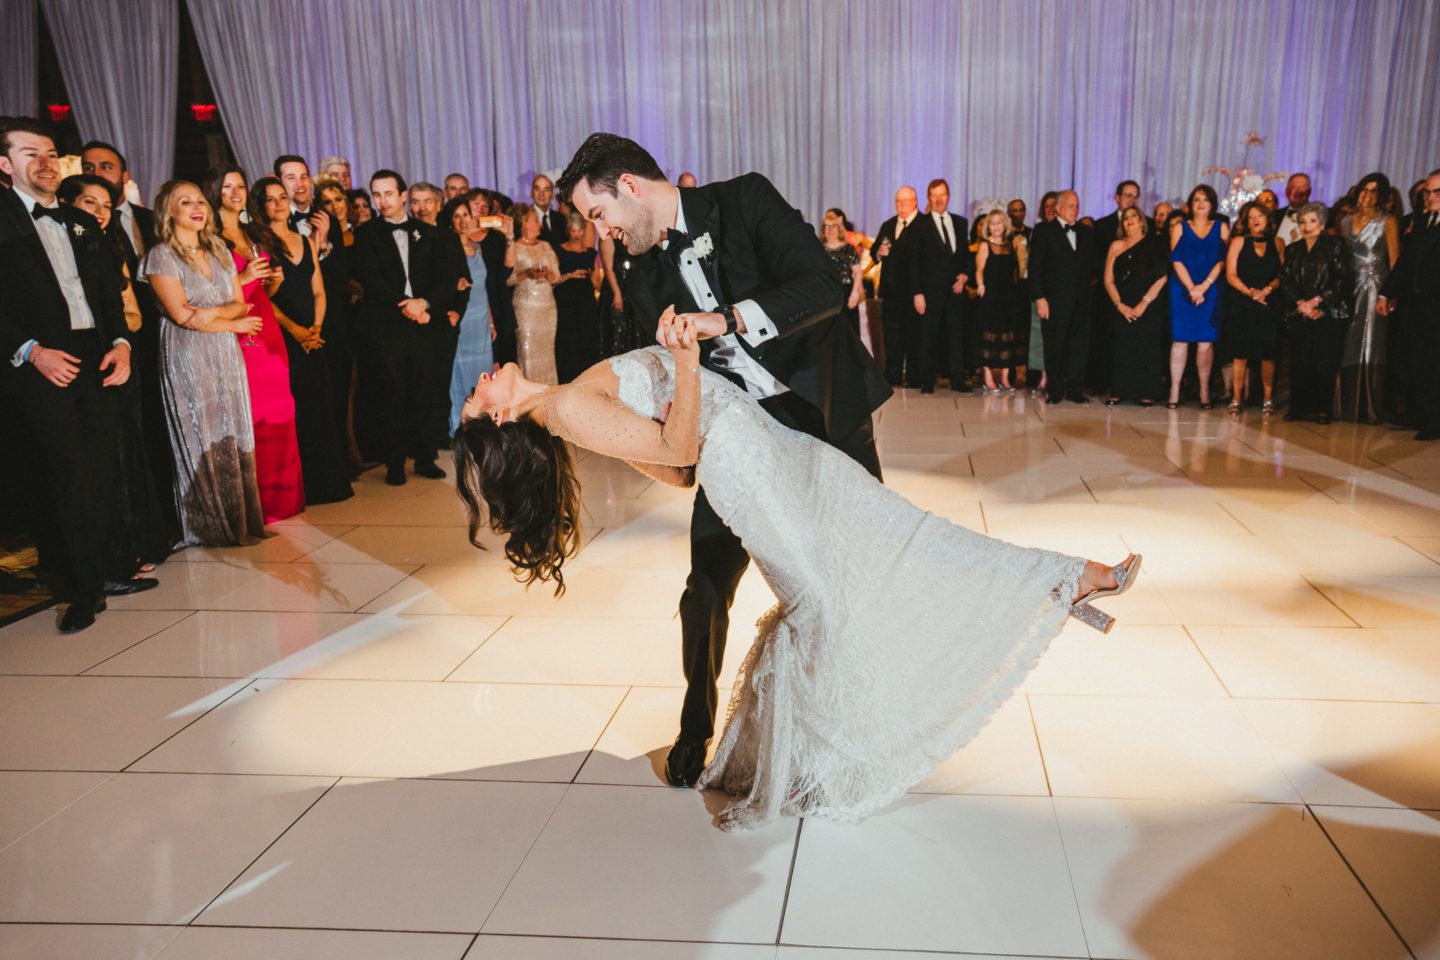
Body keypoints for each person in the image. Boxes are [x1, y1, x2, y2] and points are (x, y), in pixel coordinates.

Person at [454, 330, 1141, 828]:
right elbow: (683, 449)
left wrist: (699, 400)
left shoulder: (567, 399)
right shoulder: (567, 406)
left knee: (890, 541)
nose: (479, 382)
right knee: (846, 585)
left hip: (765, 456)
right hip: (755, 475)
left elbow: (670, 469)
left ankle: (1056, 584)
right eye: (475, 399)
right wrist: (687, 368)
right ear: (502, 416)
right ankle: (1063, 582)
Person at [560, 133, 892, 789]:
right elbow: (649, 371)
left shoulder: (743, 201)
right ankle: (695, 722)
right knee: (705, 586)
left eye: (597, 214)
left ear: (628, 186)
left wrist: (726, 319)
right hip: (735, 437)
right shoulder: (639, 269)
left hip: (822, 414)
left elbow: (825, 283)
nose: (599, 231)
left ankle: (861, 716)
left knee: (856, 570)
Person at [2, 120, 156, 633]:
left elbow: (108, 295)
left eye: (50, 153)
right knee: (65, 478)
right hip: (40, 363)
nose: (45, 162)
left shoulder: (81, 221)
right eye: (30, 154)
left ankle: (104, 571)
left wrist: (122, 345)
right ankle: (82, 591)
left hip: (99, 356)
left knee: (100, 472)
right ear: (5, 165)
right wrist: (30, 351)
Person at [138, 179, 267, 548]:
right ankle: (204, 525)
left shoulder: (220, 251)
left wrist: (223, 318)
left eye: (200, 201)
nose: (197, 207)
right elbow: (180, 316)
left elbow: (240, 303)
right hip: (187, 353)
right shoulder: (162, 255)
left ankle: (239, 520)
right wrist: (234, 322)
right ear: (169, 212)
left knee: (232, 427)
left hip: (224, 350)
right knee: (199, 431)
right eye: (185, 201)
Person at [204, 163, 305, 522]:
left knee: (282, 410)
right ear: (215, 192)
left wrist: (271, 280)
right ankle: (258, 502)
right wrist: (245, 277)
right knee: (254, 415)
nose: (236, 193)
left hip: (267, 327)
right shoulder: (209, 238)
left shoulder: (252, 232)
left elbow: (265, 289)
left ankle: (286, 498)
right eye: (228, 187)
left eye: (241, 186)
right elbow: (213, 293)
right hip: (238, 328)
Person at [353, 170, 457, 485]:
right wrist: (406, 304)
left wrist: (424, 304)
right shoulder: (366, 233)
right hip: (387, 327)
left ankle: (426, 457)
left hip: (425, 324)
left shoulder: (428, 233)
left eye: (388, 193)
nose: (382, 200)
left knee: (425, 392)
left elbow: (446, 278)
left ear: (402, 196)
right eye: (376, 194)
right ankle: (394, 463)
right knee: (393, 394)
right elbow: (370, 279)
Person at [256, 176, 353, 504]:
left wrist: (315, 327)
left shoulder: (306, 240)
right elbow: (262, 297)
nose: (279, 203)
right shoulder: (259, 244)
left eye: (282, 197)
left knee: (321, 406)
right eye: (270, 199)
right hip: (281, 337)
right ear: (261, 206)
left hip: (314, 336)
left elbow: (318, 291)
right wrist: (296, 330)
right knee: (293, 410)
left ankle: (330, 483)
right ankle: (302, 487)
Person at [1378, 169, 1440, 440]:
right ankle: (1420, 413)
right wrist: (1386, 293)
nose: (1430, 197)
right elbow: (1406, 262)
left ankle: (1435, 421)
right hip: (1417, 305)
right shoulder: (1423, 219)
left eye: (1437, 192)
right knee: (1417, 361)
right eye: (1427, 191)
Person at [1335, 172, 1401, 423]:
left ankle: (1369, 406)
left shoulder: (1388, 221)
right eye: (1364, 189)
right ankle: (1346, 405)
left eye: (1373, 191)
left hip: (1376, 287)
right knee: (1348, 342)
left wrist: (1390, 294)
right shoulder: (1344, 222)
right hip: (1350, 287)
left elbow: (1394, 261)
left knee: (1372, 343)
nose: (1367, 195)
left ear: (1380, 196)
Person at [1279, 202, 1351, 424]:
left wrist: (1317, 303)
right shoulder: (1293, 249)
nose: (1306, 226)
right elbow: (1285, 280)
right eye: (1302, 221)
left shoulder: (1335, 245)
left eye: (1311, 221)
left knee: (1324, 362)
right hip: (1300, 312)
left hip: (1328, 313)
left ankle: (1323, 409)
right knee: (1299, 361)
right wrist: (1301, 303)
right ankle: (1298, 407)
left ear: (1321, 224)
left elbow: (1341, 278)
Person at [314, 178, 365, 473]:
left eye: (338, 200)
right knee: (345, 383)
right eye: (327, 202)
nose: (335, 206)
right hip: (338, 314)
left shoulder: (361, 233)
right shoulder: (324, 236)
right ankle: (349, 450)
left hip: (364, 316)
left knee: (362, 384)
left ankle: (362, 444)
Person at [905, 179, 972, 394]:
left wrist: (965, 275)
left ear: (949, 196)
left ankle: (958, 380)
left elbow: (965, 255)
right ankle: (927, 382)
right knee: (928, 338)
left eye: (942, 195)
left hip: (955, 291)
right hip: (929, 293)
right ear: (929, 198)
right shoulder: (919, 225)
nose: (939, 199)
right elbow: (913, 262)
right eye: (934, 196)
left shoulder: (961, 223)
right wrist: (917, 293)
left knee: (956, 337)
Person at [1029, 190, 1095, 403]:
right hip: (1054, 302)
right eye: (1070, 205)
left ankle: (1075, 390)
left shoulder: (1086, 232)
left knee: (1079, 348)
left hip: (1082, 302)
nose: (1075, 209)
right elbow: (1035, 268)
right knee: (1054, 347)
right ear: (1057, 208)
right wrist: (1040, 298)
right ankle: (1054, 391)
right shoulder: (1043, 231)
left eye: (1077, 205)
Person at [1167, 184, 1229, 408]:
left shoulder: (1221, 227)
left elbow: (1222, 261)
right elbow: (1176, 260)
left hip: (1210, 289)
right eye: (1196, 200)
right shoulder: (1180, 227)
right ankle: (1174, 390)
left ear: (1212, 204)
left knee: (1205, 343)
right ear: (1190, 204)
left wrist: (1203, 286)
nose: (1201, 204)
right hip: (1182, 289)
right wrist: (1192, 287)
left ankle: (1204, 390)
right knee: (1180, 340)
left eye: (1205, 199)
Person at [1102, 206, 1169, 405]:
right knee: (1121, 346)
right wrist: (1119, 305)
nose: (1129, 220)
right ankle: (1119, 390)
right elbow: (1108, 279)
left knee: (1145, 346)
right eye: (1125, 218)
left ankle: (1145, 391)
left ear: (1141, 221)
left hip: (1147, 304)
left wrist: (1144, 303)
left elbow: (1163, 276)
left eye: (1133, 216)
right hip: (1122, 303)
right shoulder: (1116, 245)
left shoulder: (1154, 245)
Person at [1223, 201, 1284, 414]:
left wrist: (1266, 290)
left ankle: (1268, 399)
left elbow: (1281, 275)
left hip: (1268, 302)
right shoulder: (1239, 241)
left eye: (1259, 215)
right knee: (1240, 353)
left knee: (1268, 353)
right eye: (1250, 217)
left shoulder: (1278, 242)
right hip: (1243, 302)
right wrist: (1249, 292)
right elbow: (1230, 274)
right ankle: (1237, 398)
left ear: (1267, 218)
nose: (1255, 220)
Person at [441, 197, 495, 431]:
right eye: (457, 216)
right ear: (451, 221)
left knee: (482, 369)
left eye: (465, 215)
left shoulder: (478, 247)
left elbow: (484, 288)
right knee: (458, 369)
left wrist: (491, 321)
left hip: (482, 318)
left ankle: (482, 423)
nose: (462, 220)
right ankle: (459, 424)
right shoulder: (446, 248)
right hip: (462, 317)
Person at [505, 203, 561, 384]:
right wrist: (526, 274)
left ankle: (548, 397)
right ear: (523, 223)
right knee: (527, 354)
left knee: (548, 354)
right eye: (535, 220)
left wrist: (547, 273)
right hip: (525, 307)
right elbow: (508, 278)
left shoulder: (545, 245)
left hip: (547, 306)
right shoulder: (514, 246)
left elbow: (556, 276)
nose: (539, 224)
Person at [870, 185, 920, 385]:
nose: (901, 206)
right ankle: (893, 374)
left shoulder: (924, 224)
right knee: (891, 337)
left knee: (914, 336)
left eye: (906, 201)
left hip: (914, 292)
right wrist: (879, 252)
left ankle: (915, 376)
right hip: (891, 291)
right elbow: (875, 251)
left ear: (915, 202)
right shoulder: (888, 224)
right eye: (898, 202)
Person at [972, 209, 1026, 392]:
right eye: (993, 223)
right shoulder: (985, 245)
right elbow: (979, 269)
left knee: (1007, 338)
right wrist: (980, 285)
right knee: (990, 337)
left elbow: (1015, 272)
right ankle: (988, 377)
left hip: (1008, 298)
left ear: (1005, 225)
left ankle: (1004, 378)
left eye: (999, 223)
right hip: (990, 297)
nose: (996, 227)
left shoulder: (1011, 245)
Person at [552, 210, 603, 383]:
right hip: (565, 302)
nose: (576, 234)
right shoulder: (559, 251)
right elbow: (553, 279)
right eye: (573, 231)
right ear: (568, 231)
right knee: (568, 340)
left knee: (587, 339)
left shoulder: (591, 253)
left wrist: (589, 275)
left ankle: (588, 380)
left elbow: (597, 283)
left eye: (579, 230)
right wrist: (570, 275)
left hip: (586, 302)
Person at [820, 217, 863, 336]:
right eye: (826, 227)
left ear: (839, 229)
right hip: (826, 294)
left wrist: (854, 294)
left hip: (846, 294)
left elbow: (858, 273)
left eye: (833, 226)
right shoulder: (818, 249)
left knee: (850, 333)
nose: (830, 230)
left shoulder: (849, 249)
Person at [274, 155, 330, 245]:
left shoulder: (328, 219)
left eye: (303, 177)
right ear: (279, 183)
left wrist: (324, 245)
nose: (300, 184)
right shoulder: (273, 225)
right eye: (291, 178)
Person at [1275, 172, 1312, 248]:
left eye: (1302, 187)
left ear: (1310, 191)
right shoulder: (1274, 216)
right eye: (1293, 187)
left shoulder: (1321, 216)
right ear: (1286, 191)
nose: (1298, 191)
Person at [531, 174, 566, 247]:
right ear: (532, 193)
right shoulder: (523, 218)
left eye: (546, 190)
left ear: (553, 195)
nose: (541, 194)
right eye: (537, 189)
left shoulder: (562, 219)